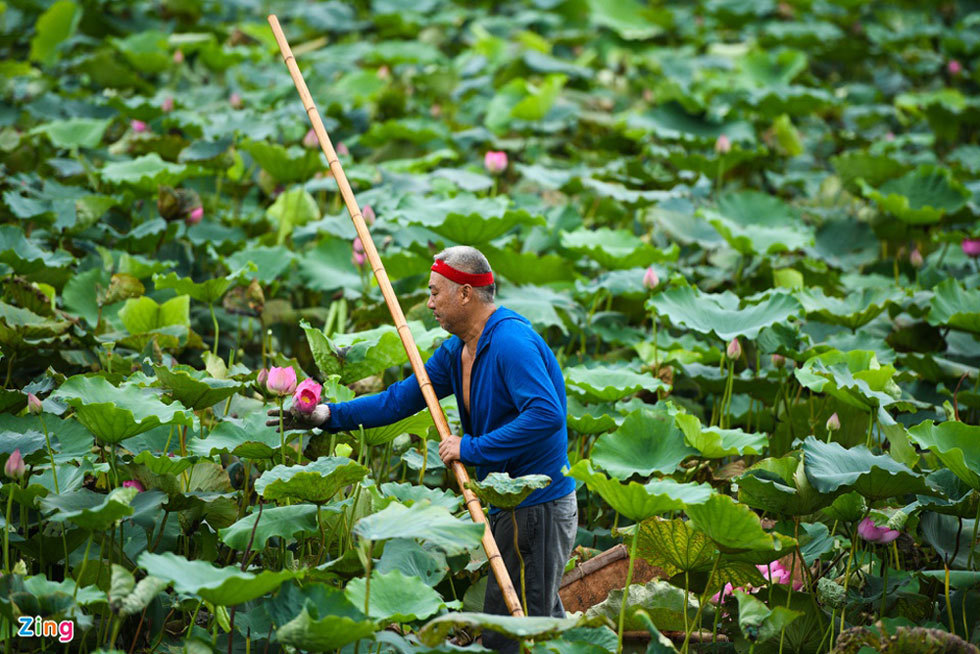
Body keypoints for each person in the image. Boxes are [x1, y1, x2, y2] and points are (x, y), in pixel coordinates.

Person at [269, 245, 577, 652]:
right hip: (509, 505)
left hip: (537, 508)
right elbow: (400, 400)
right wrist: (327, 415)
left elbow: (546, 416)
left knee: (528, 634)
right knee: (503, 632)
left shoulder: (510, 343)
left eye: (435, 293)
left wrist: (472, 448)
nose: (429, 303)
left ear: (465, 294)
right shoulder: (459, 349)